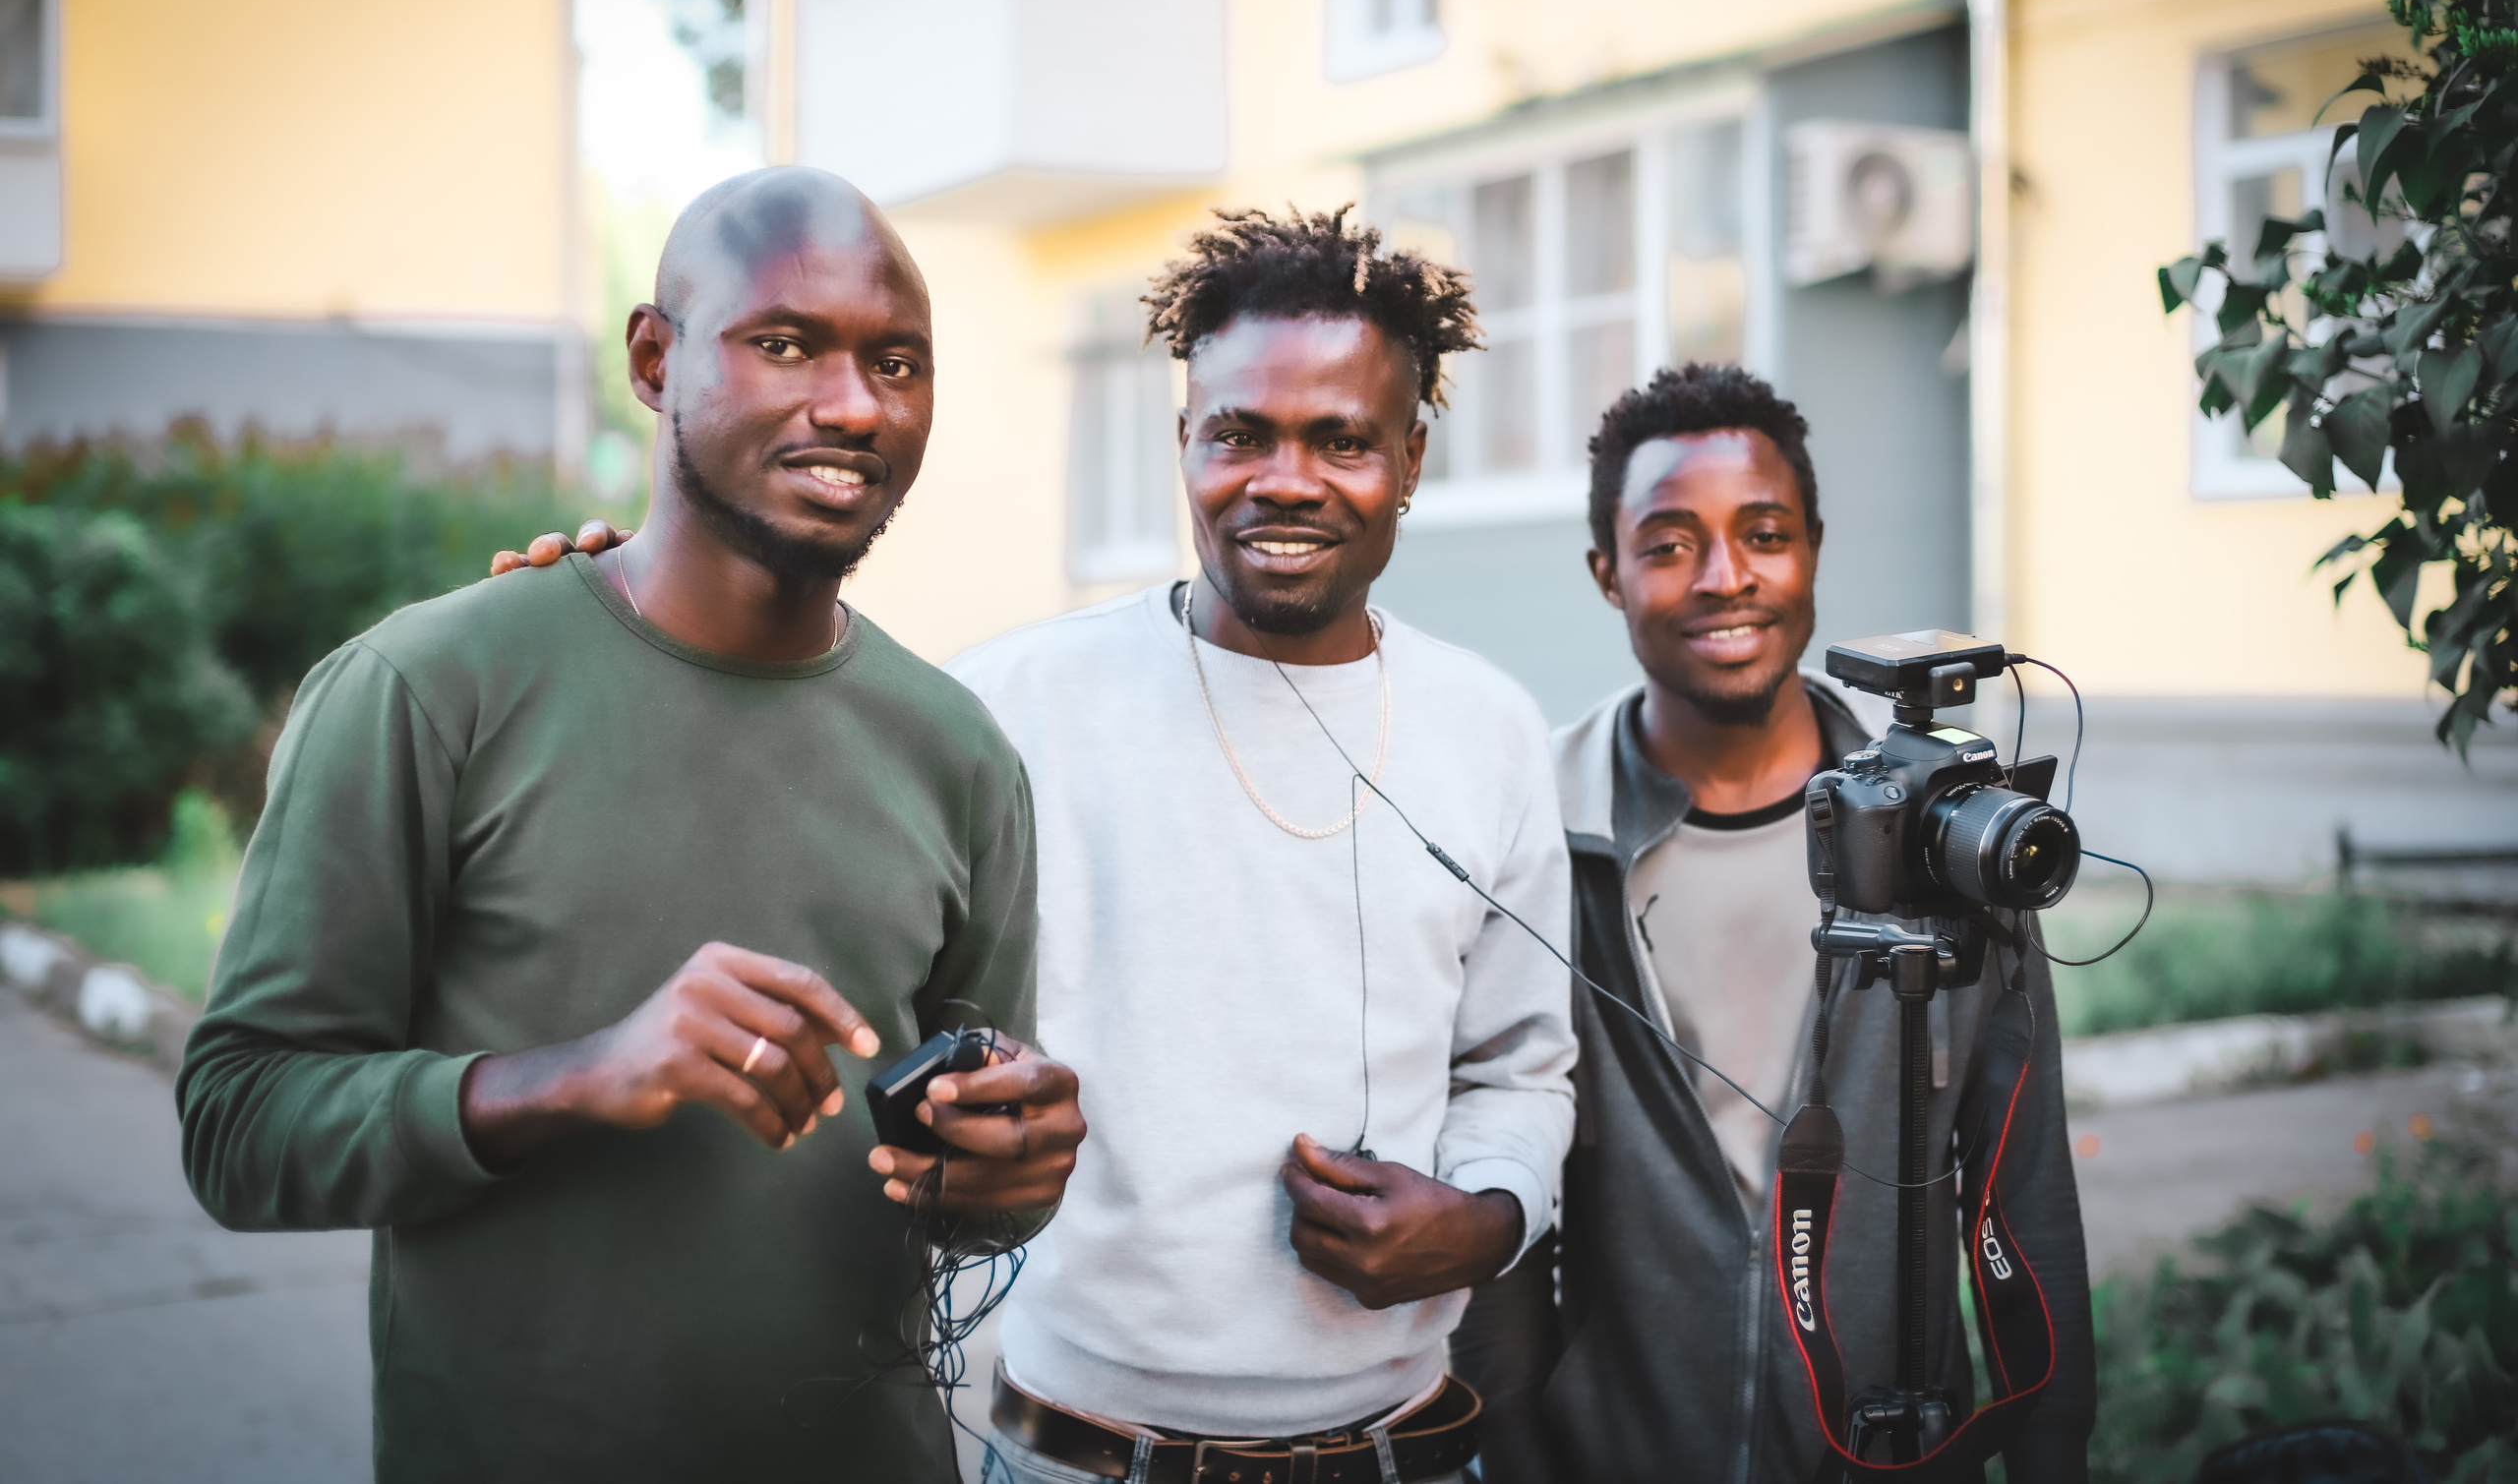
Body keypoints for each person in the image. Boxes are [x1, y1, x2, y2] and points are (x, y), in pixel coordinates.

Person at [518, 207, 1576, 1484]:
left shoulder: (1492, 728)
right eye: (1240, 431)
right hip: (1081, 1453)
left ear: (1408, 457)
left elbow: (1521, 1062)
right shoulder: (1009, 706)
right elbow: (758, 839)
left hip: (1407, 1450)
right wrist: (617, 621)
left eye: (1341, 439)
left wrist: (1491, 1214)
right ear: (1185, 439)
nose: (1285, 478)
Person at [177, 168, 1085, 1484]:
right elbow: (240, 1121)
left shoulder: (956, 748)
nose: (852, 402)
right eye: (784, 344)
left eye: (899, 361)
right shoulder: (426, 688)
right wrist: (580, 1072)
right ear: (655, 361)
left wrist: (1017, 1163)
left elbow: (965, 1184)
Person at [1451, 364, 2095, 1482]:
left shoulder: (1952, 834)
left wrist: (2050, 1447)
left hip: (1881, 1452)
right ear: (1606, 572)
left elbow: (2020, 1178)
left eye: (1762, 533)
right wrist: (1507, 1443)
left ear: (1811, 549)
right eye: (1667, 544)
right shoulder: (1533, 835)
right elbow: (1490, 1177)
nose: (1724, 578)